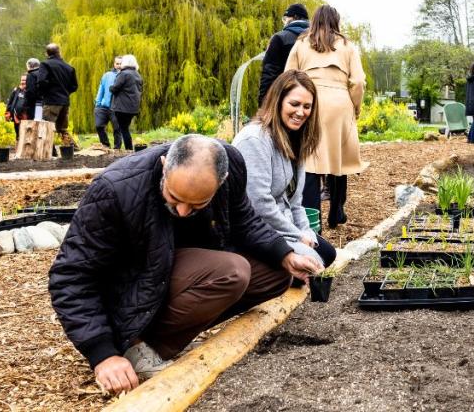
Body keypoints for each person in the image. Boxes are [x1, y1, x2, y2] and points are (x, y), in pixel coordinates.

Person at [48, 135, 322, 394]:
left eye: (197, 204)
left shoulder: (231, 166)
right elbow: (70, 276)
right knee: (233, 272)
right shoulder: (116, 190)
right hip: (128, 290)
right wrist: (103, 354)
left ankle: (165, 336)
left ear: (221, 181)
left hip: (167, 271)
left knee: (275, 274)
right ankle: (136, 346)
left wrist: (285, 254)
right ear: (165, 165)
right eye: (175, 198)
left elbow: (244, 219)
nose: (182, 212)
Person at [233, 70, 337, 267]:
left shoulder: (294, 139)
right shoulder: (255, 140)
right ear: (278, 101)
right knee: (313, 261)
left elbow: (296, 202)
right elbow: (259, 203)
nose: (301, 112)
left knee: (327, 253)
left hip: (283, 226)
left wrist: (305, 232)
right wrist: (297, 236)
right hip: (258, 231)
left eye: (307, 106)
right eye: (294, 104)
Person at [284, 4, 366, 229]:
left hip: (311, 101)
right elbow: (358, 82)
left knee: (310, 163)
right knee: (338, 160)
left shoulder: (301, 43)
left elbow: (288, 76)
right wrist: (355, 107)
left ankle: (313, 221)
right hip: (340, 103)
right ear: (336, 21)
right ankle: (337, 212)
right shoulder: (347, 45)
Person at [258, 3, 310, 106]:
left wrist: (263, 102)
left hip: (284, 97)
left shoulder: (279, 38)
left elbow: (270, 72)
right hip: (309, 100)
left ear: (294, 17)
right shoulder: (315, 40)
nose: (284, 22)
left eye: (285, 18)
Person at [36, 43, 79, 147]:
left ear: (46, 53)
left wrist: (44, 93)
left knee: (47, 127)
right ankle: (71, 149)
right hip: (64, 102)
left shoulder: (45, 64)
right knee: (62, 128)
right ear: (59, 52)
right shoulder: (69, 67)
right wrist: (65, 92)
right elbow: (74, 86)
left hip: (51, 101)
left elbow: (41, 81)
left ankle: (49, 151)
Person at [110, 54, 144, 151]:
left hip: (122, 107)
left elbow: (115, 88)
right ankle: (129, 149)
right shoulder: (137, 74)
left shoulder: (123, 74)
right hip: (133, 107)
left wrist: (110, 88)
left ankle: (129, 149)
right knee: (125, 128)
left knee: (123, 129)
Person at [94, 56, 123, 149]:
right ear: (114, 64)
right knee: (99, 126)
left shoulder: (125, 76)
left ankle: (117, 148)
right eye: (117, 63)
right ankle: (105, 145)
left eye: (120, 64)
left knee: (117, 128)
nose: (118, 66)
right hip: (103, 106)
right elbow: (101, 88)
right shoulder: (107, 75)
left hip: (117, 108)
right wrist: (98, 103)